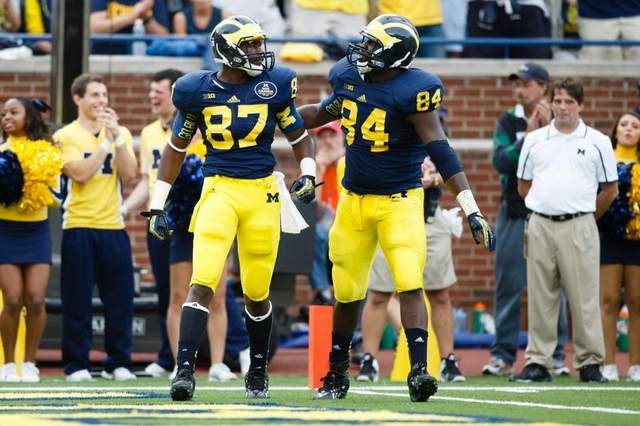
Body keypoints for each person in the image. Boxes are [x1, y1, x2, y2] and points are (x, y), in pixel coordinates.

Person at [299, 14, 495, 401]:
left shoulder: (415, 92)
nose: (363, 50)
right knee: (347, 291)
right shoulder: (349, 75)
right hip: (353, 202)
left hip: (400, 201)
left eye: (373, 45)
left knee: (409, 281)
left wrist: (471, 207)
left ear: (394, 53)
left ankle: (419, 372)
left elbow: (441, 151)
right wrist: (271, 115)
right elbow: (324, 112)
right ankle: (336, 374)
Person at [142, 15, 317, 401]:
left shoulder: (274, 86)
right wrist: (157, 205)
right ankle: (183, 372)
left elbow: (300, 137)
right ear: (226, 50)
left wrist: (308, 172)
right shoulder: (195, 90)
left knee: (256, 291)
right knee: (201, 280)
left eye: (259, 43)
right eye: (250, 44)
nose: (258, 51)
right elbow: (174, 151)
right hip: (219, 190)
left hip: (262, 195)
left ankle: (256, 369)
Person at [513, 78, 618, 383]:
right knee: (540, 296)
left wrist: (584, 215)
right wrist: (545, 206)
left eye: (569, 102)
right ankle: (538, 362)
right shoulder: (535, 140)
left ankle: (589, 363)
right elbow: (523, 185)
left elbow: (610, 190)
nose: (562, 107)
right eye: (557, 101)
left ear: (581, 106)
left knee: (585, 296)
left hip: (580, 224)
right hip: (541, 223)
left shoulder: (597, 141)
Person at [484, 62, 570, 377]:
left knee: (553, 284)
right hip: (514, 210)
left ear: (544, 87)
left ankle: (555, 354)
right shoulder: (509, 121)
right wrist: (530, 137)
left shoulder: (563, 123)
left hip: (551, 211)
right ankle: (503, 355)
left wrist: (548, 132)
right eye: (516, 83)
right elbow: (500, 161)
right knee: (508, 282)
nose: (519, 89)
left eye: (527, 83)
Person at [55, 73, 138, 382]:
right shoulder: (65, 135)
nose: (102, 101)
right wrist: (104, 144)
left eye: (104, 95)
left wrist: (116, 138)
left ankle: (119, 362)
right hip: (78, 225)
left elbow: (130, 175)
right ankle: (77, 364)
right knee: (77, 299)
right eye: (94, 95)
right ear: (78, 99)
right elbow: (79, 173)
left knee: (120, 299)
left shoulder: (121, 133)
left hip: (113, 226)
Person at [358, 157, 465, 383]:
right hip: (390, 217)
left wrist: (433, 179)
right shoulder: (383, 131)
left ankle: (448, 360)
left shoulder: (435, 136)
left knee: (439, 293)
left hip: (429, 217)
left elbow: (454, 179)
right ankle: (369, 359)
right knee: (379, 293)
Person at [0, 97, 59, 383]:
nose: (6, 117)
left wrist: (35, 186)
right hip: (5, 231)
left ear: (29, 117)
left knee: (35, 299)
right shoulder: (1, 151)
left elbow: (57, 195)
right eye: (3, 114)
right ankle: (9, 364)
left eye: (14, 112)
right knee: (12, 299)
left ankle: (30, 362)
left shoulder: (48, 152)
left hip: (36, 232)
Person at [598, 111, 640, 382]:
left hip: (638, 239)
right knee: (609, 300)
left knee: (637, 301)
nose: (628, 129)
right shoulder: (605, 160)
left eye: (635, 125)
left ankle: (636, 365)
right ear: (615, 130)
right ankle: (608, 363)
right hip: (609, 236)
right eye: (624, 124)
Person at [309, 120, 345, 304]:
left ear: (342, 138)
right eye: (322, 138)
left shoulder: (352, 165)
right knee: (316, 232)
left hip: (350, 228)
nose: (328, 142)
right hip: (323, 232)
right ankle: (323, 291)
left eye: (333, 136)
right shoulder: (311, 169)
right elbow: (308, 208)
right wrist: (320, 170)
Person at [90, 0, 170, 55]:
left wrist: (146, 19)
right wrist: (131, 17)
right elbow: (93, 28)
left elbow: (164, 38)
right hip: (104, 56)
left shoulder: (150, 1)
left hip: (143, 61)